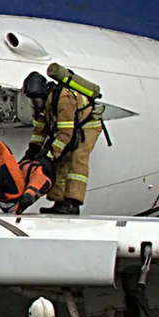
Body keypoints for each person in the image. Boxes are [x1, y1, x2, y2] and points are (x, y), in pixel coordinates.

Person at [22, 67, 103, 215]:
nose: (35, 103)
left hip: (87, 127)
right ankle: (59, 202)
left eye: (36, 99)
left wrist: (50, 154)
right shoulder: (41, 106)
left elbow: (65, 134)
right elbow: (40, 130)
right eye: (31, 100)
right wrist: (33, 150)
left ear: (44, 93)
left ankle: (73, 202)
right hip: (70, 128)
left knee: (77, 159)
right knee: (59, 162)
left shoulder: (64, 99)